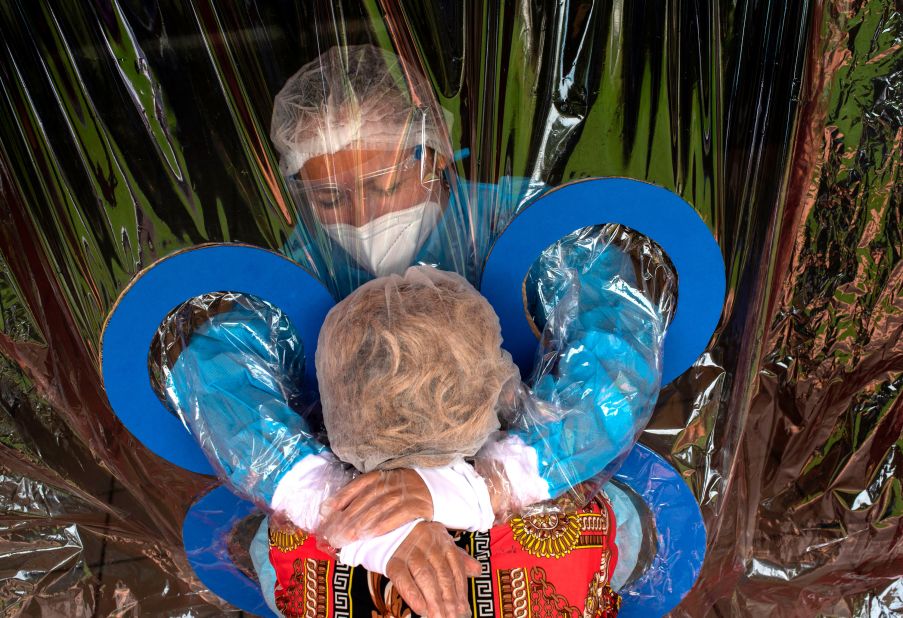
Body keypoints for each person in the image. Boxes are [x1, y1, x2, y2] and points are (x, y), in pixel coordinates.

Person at [156, 43, 675, 616]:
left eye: (383, 186)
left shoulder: (515, 226)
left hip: (529, 465)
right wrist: (349, 508)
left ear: (435, 154)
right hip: (364, 480)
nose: (361, 217)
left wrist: (493, 483)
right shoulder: (301, 269)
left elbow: (617, 361)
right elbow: (214, 378)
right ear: (301, 194)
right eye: (329, 198)